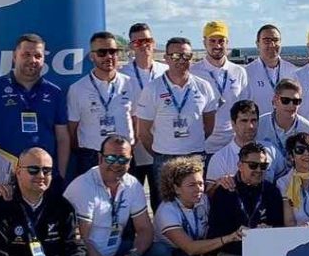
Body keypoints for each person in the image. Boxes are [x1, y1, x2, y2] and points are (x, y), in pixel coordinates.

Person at [63, 135, 171, 256]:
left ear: (130, 161)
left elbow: (145, 230)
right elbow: (81, 242)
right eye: (111, 158)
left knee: (160, 252)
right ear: (100, 158)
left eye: (123, 159)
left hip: (114, 251)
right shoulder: (83, 187)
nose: (117, 164)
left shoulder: (132, 184)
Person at [0, 33, 70, 188]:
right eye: (26, 55)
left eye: (38, 56)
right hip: (4, 179)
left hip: (42, 178)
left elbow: (63, 138)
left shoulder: (55, 93)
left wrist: (61, 176)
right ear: (14, 56)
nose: (33, 60)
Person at [207, 142, 284, 256]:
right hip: (233, 250)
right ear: (240, 165)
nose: (259, 170)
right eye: (253, 165)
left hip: (264, 250)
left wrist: (270, 229)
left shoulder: (271, 191)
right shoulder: (225, 190)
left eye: (263, 166)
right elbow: (215, 227)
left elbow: (280, 224)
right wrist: (232, 236)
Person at [135, 36, 217, 197]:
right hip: (165, 158)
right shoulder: (152, 89)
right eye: (175, 56)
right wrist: (162, 152)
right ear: (166, 58)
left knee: (196, 201)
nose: (181, 60)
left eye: (186, 56)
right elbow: (143, 132)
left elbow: (209, 126)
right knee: (164, 204)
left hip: (195, 156)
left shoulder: (204, 87)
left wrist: (191, 143)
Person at [67, 32, 134, 178]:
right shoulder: (77, 89)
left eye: (113, 52)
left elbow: (136, 120)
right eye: (102, 52)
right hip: (91, 156)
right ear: (92, 56)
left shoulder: (130, 83)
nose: (108, 57)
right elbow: (72, 129)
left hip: (123, 155)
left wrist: (131, 145)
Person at [123, 23, 168, 203]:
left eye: (147, 40)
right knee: (133, 200)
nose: (143, 45)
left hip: (161, 145)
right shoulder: (123, 74)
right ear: (131, 46)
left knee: (161, 200)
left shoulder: (166, 71)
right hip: (135, 148)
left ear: (153, 42)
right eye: (138, 42)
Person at [193, 21, 248, 154]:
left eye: (221, 41)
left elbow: (244, 108)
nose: (217, 45)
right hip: (203, 146)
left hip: (233, 145)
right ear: (204, 42)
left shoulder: (239, 72)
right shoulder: (193, 72)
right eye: (212, 41)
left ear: (227, 42)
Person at [206, 100, 283, 189]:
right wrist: (219, 184)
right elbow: (209, 192)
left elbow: (284, 182)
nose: (250, 126)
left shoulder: (271, 150)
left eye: (254, 120)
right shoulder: (220, 159)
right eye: (244, 121)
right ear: (233, 124)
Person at [256, 78, 309, 171]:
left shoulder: (308, 129)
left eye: (296, 101)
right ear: (275, 100)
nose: (291, 105)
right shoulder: (259, 125)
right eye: (286, 100)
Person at [243, 24, 298, 114]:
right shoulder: (246, 73)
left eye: (276, 40)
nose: (272, 45)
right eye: (267, 41)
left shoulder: (292, 71)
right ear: (258, 44)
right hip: (259, 122)